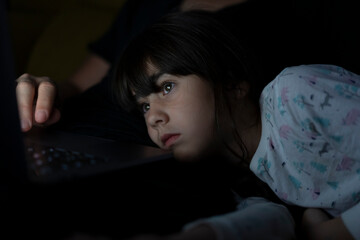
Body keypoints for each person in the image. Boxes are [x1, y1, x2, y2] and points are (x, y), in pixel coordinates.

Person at [112, 10, 359, 239]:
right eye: (143, 106)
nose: (153, 117)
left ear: (231, 82)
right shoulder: (246, 175)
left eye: (167, 87)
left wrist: (327, 233)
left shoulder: (295, 95)